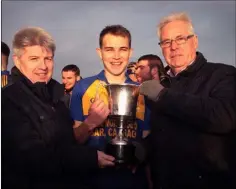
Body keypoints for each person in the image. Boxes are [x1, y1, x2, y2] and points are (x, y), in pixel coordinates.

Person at [2, 26, 115, 189]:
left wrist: (90, 122)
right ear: (18, 61)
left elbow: (68, 142)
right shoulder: (8, 101)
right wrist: (90, 157)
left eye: (48, 58)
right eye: (34, 59)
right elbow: (34, 158)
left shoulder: (56, 97)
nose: (43, 66)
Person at [139, 12, 236, 189]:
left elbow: (224, 116)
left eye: (180, 38)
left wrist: (163, 96)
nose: (173, 46)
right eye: (166, 42)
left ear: (195, 41)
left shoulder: (222, 74)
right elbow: (164, 133)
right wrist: (139, 150)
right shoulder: (161, 85)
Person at [70, 25, 150, 189]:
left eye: (122, 49)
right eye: (109, 49)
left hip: (133, 181)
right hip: (92, 181)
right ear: (100, 52)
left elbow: (148, 138)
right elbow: (73, 142)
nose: (116, 56)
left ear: (130, 52)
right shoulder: (82, 88)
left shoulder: (142, 92)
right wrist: (91, 122)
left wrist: (140, 155)